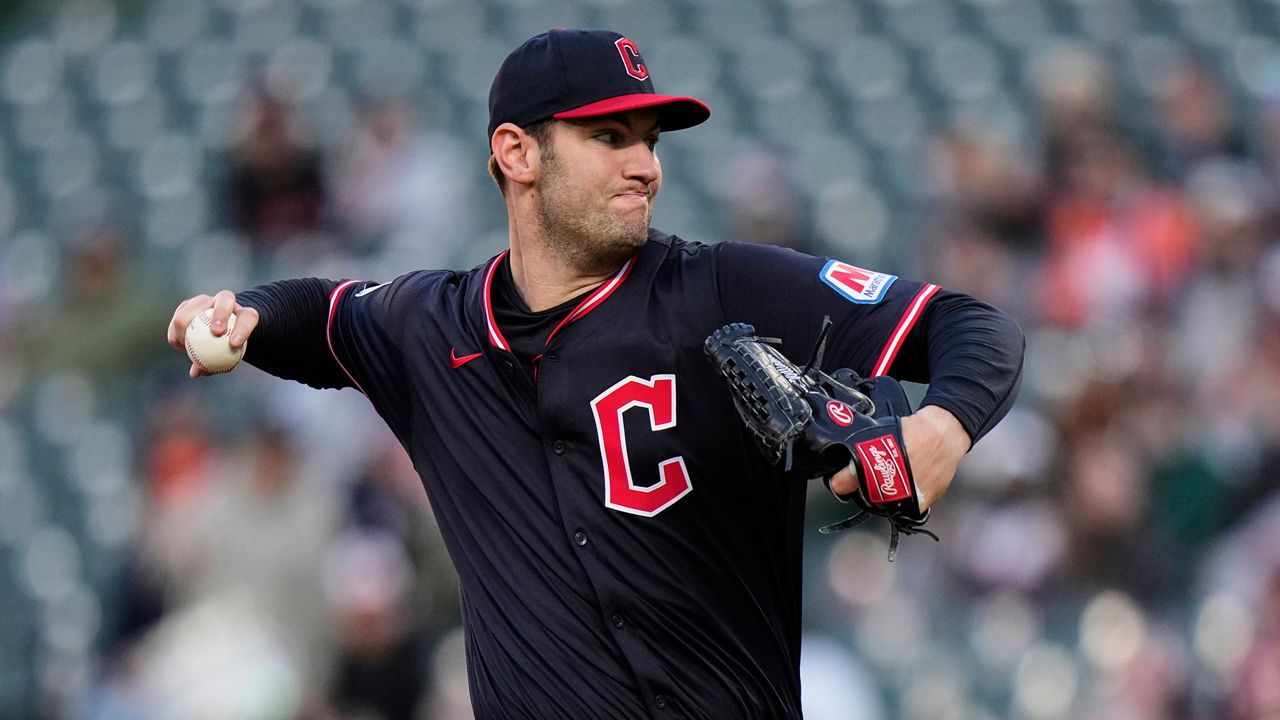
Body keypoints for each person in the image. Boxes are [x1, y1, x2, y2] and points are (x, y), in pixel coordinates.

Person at [167, 29, 1024, 719]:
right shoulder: (431, 328)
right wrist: (243, 311)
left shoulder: (722, 287)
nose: (645, 164)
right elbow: (320, 313)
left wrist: (941, 427)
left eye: (648, 141)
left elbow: (972, 327)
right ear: (517, 153)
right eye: (608, 137)